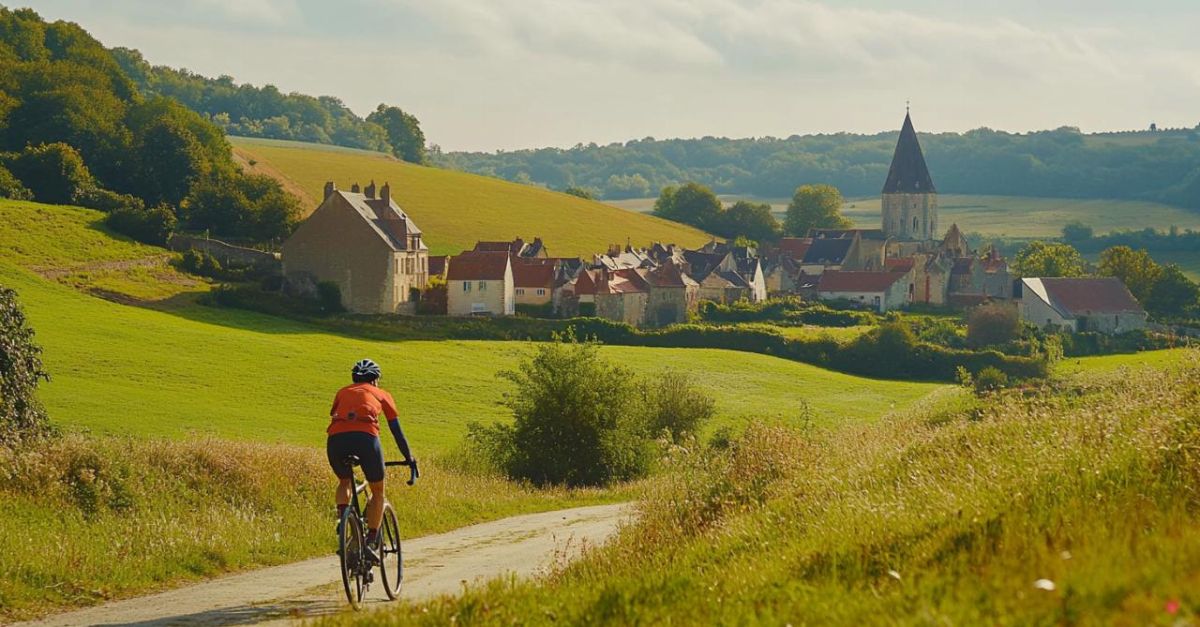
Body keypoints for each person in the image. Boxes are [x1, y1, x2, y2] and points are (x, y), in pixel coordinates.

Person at [326, 358, 418, 560]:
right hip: (366, 440)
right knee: (377, 491)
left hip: (335, 441)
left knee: (344, 482)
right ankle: (371, 541)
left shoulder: (342, 392)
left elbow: (337, 415)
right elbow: (397, 432)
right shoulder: (382, 394)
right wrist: (409, 457)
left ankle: (344, 519)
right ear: (375, 380)